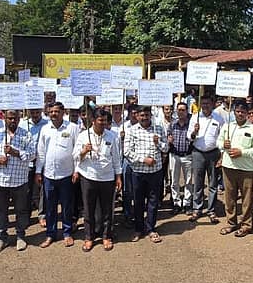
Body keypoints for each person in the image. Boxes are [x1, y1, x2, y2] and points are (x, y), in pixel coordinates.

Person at [0, 110, 35, 253]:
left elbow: (32, 154)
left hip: (19, 180)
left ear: (19, 119)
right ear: (5, 119)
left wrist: (16, 153)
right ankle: (2, 238)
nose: (13, 121)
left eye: (15, 118)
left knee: (21, 210)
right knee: (1, 211)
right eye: (10, 118)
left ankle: (20, 236)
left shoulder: (26, 135)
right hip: (0, 180)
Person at [74, 109, 122, 251]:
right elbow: (75, 156)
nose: (103, 123)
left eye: (105, 121)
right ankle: (89, 237)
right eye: (100, 120)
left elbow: (116, 159)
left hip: (107, 178)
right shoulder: (83, 136)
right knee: (88, 209)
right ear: (93, 121)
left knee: (107, 209)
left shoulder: (112, 136)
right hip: (89, 177)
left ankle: (106, 236)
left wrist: (118, 177)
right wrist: (84, 151)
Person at [36, 102, 79, 248]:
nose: (54, 114)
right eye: (51, 111)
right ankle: (50, 234)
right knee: (50, 207)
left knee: (67, 206)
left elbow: (77, 151)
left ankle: (67, 233)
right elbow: (41, 152)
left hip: (67, 174)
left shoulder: (72, 128)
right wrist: (38, 171)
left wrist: (76, 170)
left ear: (63, 112)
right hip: (49, 175)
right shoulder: (44, 129)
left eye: (56, 111)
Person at [124, 106, 168, 243]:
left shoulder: (159, 129)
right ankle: (139, 229)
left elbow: (166, 148)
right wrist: (144, 160)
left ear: (151, 115)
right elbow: (126, 152)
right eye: (141, 115)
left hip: (155, 172)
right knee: (138, 201)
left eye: (147, 115)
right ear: (137, 116)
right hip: (138, 172)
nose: (144, 118)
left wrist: (158, 142)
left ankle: (150, 228)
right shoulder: (131, 131)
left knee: (153, 201)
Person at [217, 101, 253, 237]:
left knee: (247, 198)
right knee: (229, 197)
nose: (240, 114)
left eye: (243, 112)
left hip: (246, 169)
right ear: (234, 112)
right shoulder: (227, 126)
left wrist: (242, 152)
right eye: (238, 111)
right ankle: (231, 222)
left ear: (247, 113)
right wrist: (223, 145)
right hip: (228, 167)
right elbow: (218, 143)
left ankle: (246, 225)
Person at [188, 95, 225, 224]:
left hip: (213, 153)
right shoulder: (195, 117)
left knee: (213, 183)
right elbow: (190, 137)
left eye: (207, 103)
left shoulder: (219, 118)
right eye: (203, 103)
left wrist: (221, 156)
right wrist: (194, 131)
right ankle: (196, 209)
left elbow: (222, 137)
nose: (205, 106)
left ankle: (211, 210)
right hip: (198, 153)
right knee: (198, 182)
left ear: (213, 104)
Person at [167, 102, 193, 214]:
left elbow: (194, 138)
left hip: (188, 155)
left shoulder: (191, 125)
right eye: (179, 110)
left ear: (187, 111)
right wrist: (169, 141)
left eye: (183, 110)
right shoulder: (172, 124)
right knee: (174, 181)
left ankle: (187, 203)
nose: (181, 112)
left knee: (188, 181)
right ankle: (176, 203)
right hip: (174, 155)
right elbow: (168, 136)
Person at [26, 108, 48, 227]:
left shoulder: (47, 124)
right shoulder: (24, 124)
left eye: (37, 112)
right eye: (32, 112)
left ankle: (42, 215)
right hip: (27, 162)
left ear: (41, 111)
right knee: (27, 190)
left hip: (43, 162)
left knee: (43, 190)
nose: (35, 115)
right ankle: (26, 215)